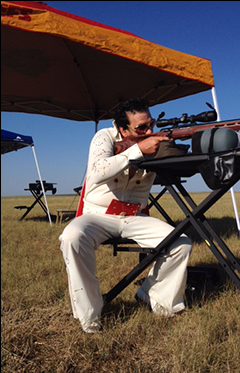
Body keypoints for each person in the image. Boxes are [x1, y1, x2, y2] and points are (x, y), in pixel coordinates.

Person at [59, 98, 192, 333]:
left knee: (180, 243)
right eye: (141, 128)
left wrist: (173, 149)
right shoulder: (105, 137)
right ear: (122, 129)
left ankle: (154, 299)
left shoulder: (155, 142)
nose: (149, 131)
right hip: (98, 215)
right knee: (72, 237)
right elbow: (97, 171)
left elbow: (182, 169)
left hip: (135, 217)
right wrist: (138, 150)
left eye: (150, 125)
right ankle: (89, 316)